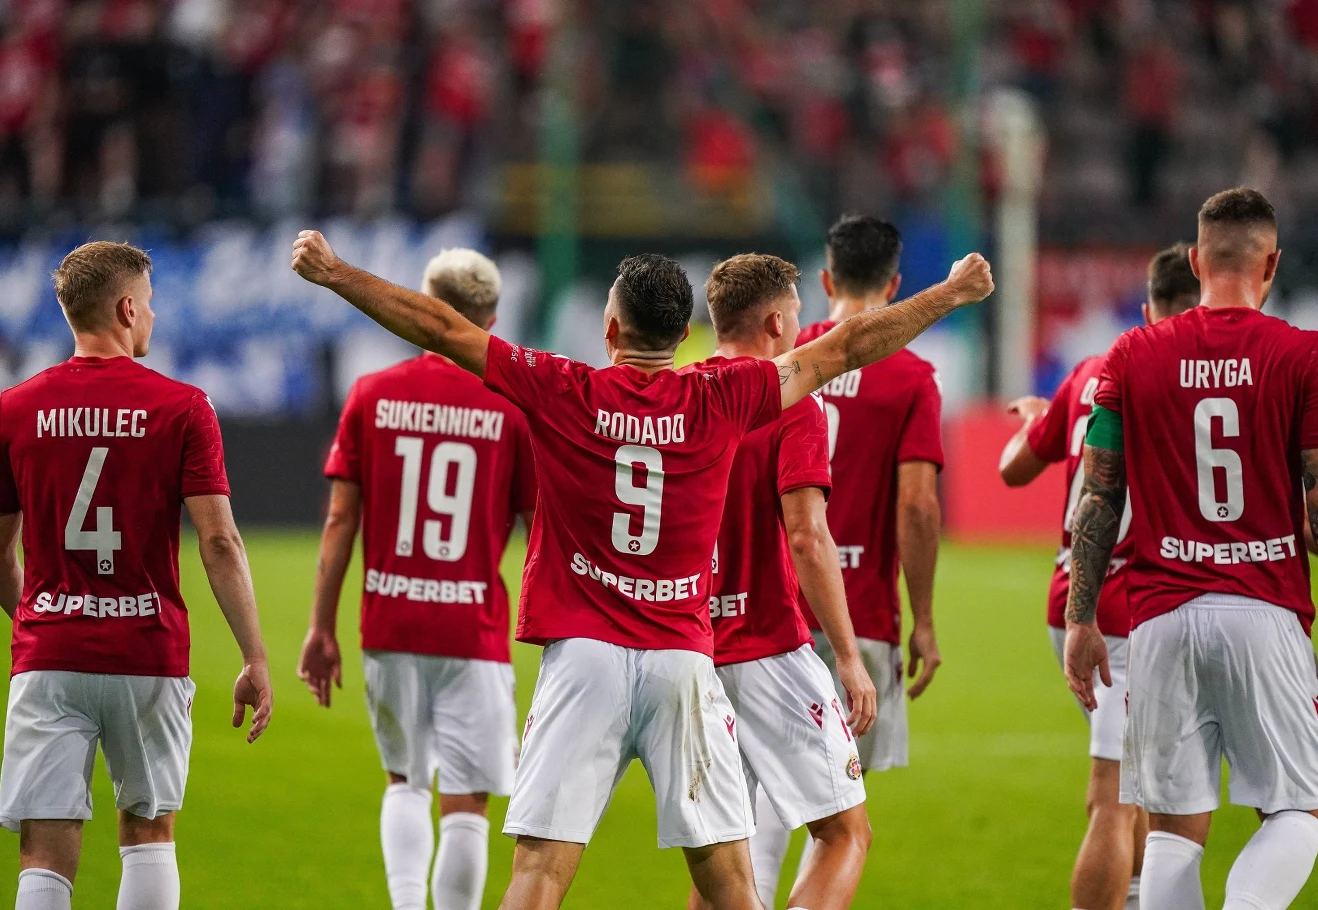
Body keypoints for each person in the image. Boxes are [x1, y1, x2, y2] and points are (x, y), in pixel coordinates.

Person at [291, 228, 993, 910]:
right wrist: (953, 293)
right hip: (681, 666)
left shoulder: (562, 389)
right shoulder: (724, 399)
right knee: (731, 888)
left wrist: (338, 273)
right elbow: (848, 346)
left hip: (584, 661)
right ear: (680, 331)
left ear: (609, 330)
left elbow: (442, 331)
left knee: (538, 876)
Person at [0, 241, 273, 910]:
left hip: (50, 654)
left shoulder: (13, 409)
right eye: (152, 306)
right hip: (148, 654)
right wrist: (253, 654)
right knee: (148, 833)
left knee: (44, 853)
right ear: (127, 307)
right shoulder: (182, 407)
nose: (155, 319)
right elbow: (219, 540)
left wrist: (41, 621)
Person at [1066, 188, 1318, 910]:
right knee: (1303, 809)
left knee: (1174, 835)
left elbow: (1100, 498)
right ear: (1270, 263)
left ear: (1194, 259)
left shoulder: (1131, 353)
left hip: (1158, 623)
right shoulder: (1305, 355)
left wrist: (1083, 619)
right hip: (1262, 611)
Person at [297, 249, 536, 910]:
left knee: (404, 780)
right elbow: (538, 526)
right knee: (467, 799)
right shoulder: (511, 405)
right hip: (473, 627)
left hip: (390, 621)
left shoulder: (372, 394)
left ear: (420, 306)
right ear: (489, 318)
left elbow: (340, 520)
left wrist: (321, 626)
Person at [999, 242, 1200, 910]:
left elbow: (1013, 470)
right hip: (1132, 614)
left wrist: (1037, 421)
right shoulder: (1199, 376)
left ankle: (1140, 896)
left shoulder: (1092, 371)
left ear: (1146, 308)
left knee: (1138, 777)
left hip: (1070, 602)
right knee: (1113, 796)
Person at [683, 254, 875, 910]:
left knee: (721, 863)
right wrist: (848, 658)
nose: (802, 325)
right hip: (765, 648)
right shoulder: (792, 402)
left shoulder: (683, 397)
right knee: (845, 832)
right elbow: (806, 535)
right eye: (795, 313)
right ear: (773, 320)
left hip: (689, 653)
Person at [794, 215, 944, 776]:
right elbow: (917, 506)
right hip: (862, 616)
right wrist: (923, 618)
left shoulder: (784, 364)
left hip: (773, 610)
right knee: (839, 813)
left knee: (763, 797)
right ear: (895, 285)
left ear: (827, 282)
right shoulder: (910, 377)